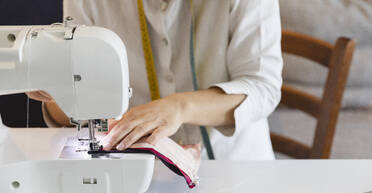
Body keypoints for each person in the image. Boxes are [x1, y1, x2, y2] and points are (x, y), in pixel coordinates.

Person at [27, 0, 283, 160]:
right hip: (134, 168)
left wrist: (180, 108)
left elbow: (263, 87)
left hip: (234, 167)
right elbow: (71, 104)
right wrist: (59, 94)